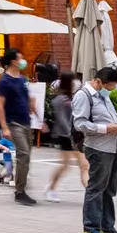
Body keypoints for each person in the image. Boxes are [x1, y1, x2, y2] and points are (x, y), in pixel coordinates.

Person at [72, 66, 117, 233]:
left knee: (108, 189)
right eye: (111, 86)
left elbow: (107, 118)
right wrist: (108, 128)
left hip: (112, 146)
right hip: (98, 148)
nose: (112, 90)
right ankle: (90, 229)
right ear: (99, 82)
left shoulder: (103, 96)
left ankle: (107, 228)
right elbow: (80, 124)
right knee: (96, 188)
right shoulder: (83, 96)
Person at [0, 49, 37, 205]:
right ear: (13, 61)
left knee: (26, 157)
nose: (23, 61)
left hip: (26, 121)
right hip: (14, 123)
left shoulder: (22, 79)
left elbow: (28, 98)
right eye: (20, 58)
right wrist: (4, 127)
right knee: (23, 153)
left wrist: (34, 109)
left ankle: (21, 185)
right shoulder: (4, 81)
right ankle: (19, 191)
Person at [44, 73, 86, 204]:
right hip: (66, 136)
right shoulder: (59, 99)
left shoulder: (74, 96)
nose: (76, 82)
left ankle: (91, 193)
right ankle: (51, 188)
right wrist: (70, 133)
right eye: (74, 80)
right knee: (67, 165)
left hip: (75, 135)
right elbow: (61, 119)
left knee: (82, 165)